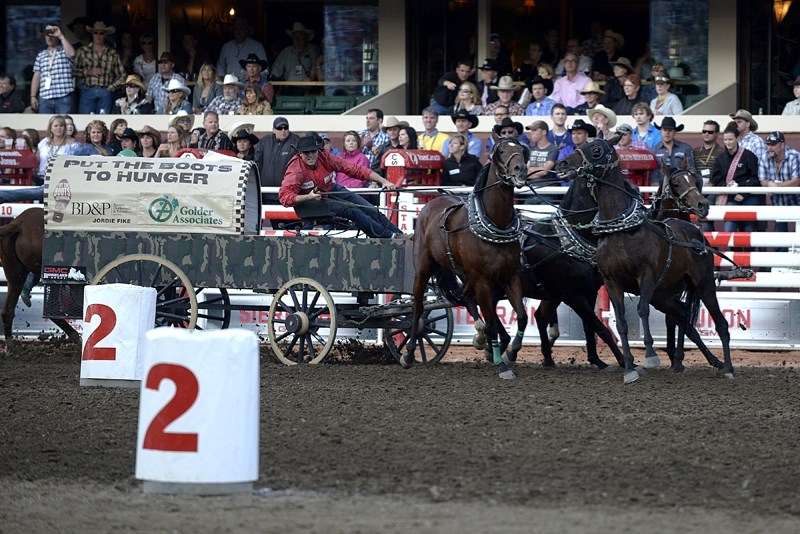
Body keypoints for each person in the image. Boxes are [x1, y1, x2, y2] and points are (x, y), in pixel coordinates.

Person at [279, 134, 402, 239]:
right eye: (306, 152)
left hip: (329, 189)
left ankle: (399, 234)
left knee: (368, 207)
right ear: (300, 153)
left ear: (318, 150)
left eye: (313, 151)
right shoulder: (295, 170)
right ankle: (389, 237)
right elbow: (284, 198)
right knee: (351, 211)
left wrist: (384, 181)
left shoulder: (325, 156)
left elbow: (354, 169)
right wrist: (308, 197)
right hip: (310, 204)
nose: (310, 155)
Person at [712, 122, 761, 234]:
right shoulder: (720, 158)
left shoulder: (748, 155)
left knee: (748, 231)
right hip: (730, 197)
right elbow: (716, 178)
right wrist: (726, 186)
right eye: (725, 140)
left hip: (749, 197)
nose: (728, 142)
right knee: (729, 229)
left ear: (737, 138)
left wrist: (743, 193)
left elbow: (755, 178)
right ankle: (735, 251)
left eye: (730, 139)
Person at [73, 21, 126, 114]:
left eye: (101, 33)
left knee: (104, 121)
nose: (98, 35)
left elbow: (122, 75)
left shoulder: (112, 53)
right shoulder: (82, 51)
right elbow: (73, 71)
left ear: (106, 35)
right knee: (84, 120)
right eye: (95, 33)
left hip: (106, 91)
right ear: (92, 34)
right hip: (87, 90)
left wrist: (111, 87)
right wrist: (88, 72)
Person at [759, 132, 800, 241]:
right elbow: (763, 180)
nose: (769, 148)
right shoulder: (764, 157)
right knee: (780, 239)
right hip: (779, 203)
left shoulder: (794, 156)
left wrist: (776, 186)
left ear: (782, 145)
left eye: (772, 145)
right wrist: (768, 184)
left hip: (798, 201)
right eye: (768, 145)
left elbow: (796, 181)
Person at [254, 116, 300, 206]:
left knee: (290, 220)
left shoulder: (296, 141)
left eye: (285, 128)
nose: (283, 130)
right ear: (273, 130)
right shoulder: (264, 142)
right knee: (273, 219)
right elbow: (257, 164)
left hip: (288, 193)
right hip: (267, 194)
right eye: (279, 128)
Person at [30, 24, 76, 114]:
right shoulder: (41, 55)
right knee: (45, 125)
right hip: (45, 96)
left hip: (64, 95)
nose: (49, 37)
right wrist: (33, 96)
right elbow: (36, 76)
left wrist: (61, 36)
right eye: (47, 35)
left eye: (52, 35)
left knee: (65, 124)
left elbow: (72, 54)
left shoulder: (64, 51)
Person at [649, 117, 698, 186]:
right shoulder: (653, 150)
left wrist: (689, 183)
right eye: (665, 130)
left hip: (681, 187)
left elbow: (691, 169)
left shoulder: (685, 148)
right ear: (661, 131)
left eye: (670, 130)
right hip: (660, 188)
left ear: (675, 132)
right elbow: (653, 172)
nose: (667, 133)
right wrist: (654, 184)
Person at [270, 22, 321, 87]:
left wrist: (311, 77)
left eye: (300, 36)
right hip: (289, 89)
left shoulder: (313, 49)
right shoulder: (287, 51)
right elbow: (276, 71)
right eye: (294, 37)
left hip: (307, 90)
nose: (296, 39)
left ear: (306, 38)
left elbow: (316, 67)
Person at [525, 120, 560, 192]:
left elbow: (545, 171)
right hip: (531, 188)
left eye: (534, 130)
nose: (531, 133)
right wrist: (539, 169)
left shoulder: (553, 149)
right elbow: (526, 171)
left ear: (544, 132)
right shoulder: (532, 149)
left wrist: (532, 170)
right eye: (531, 130)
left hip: (547, 188)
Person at [693, 119, 724, 199]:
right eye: (704, 131)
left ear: (717, 134)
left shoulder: (723, 152)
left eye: (710, 132)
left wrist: (713, 184)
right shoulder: (694, 151)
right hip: (696, 189)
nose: (706, 134)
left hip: (714, 190)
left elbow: (724, 174)